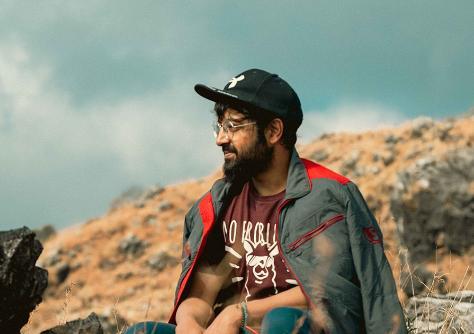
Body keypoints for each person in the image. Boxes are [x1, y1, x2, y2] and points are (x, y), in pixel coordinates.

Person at [125, 69, 407, 333]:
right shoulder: (216, 204)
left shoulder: (329, 197)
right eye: (219, 126)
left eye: (233, 126)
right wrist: (189, 322)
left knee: (282, 321)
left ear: (273, 131)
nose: (221, 139)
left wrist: (239, 314)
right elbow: (200, 295)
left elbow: (330, 293)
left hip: (299, 328)